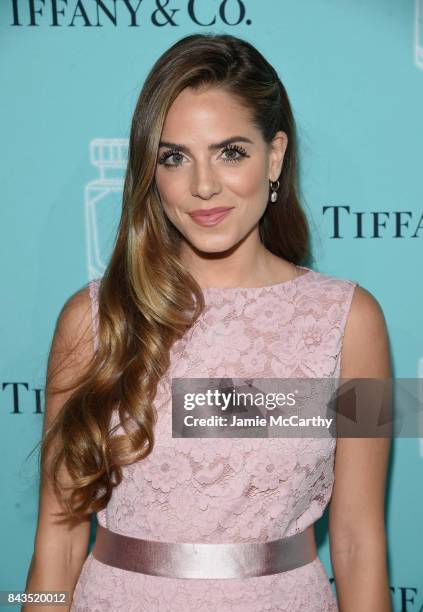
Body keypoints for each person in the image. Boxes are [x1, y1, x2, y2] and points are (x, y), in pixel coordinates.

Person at [23, 33, 392, 611]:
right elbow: (57, 544)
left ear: (274, 156)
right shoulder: (93, 319)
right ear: (152, 171)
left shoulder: (352, 321)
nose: (203, 186)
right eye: (175, 157)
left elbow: (357, 543)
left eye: (231, 152)